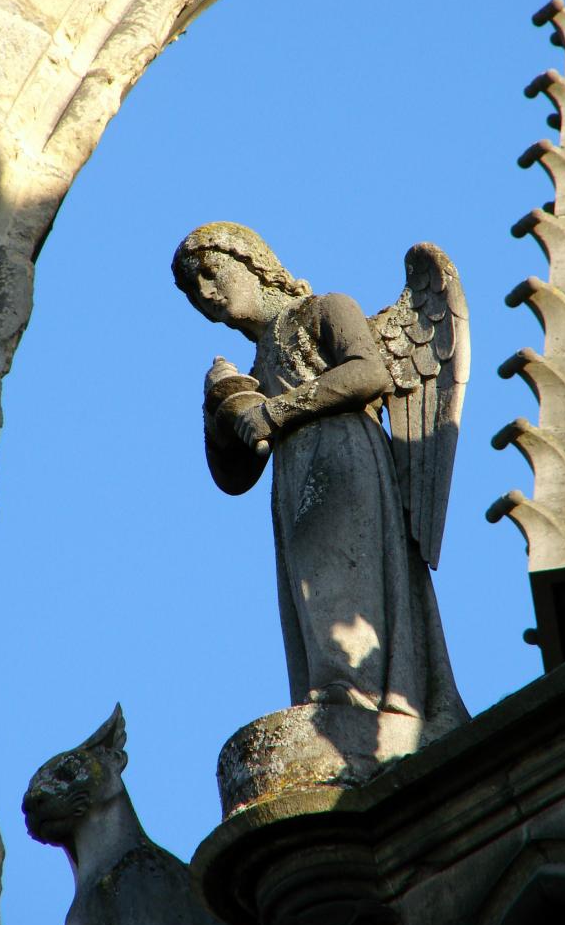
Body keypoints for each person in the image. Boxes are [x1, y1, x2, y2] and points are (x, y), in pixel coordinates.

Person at [172, 222, 468, 735]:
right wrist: (218, 414)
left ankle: (356, 693)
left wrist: (277, 410)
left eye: (211, 273)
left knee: (340, 571)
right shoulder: (258, 362)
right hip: (292, 477)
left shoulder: (325, 308)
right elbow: (235, 478)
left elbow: (369, 374)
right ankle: (332, 688)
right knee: (309, 589)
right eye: (194, 293)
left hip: (344, 456)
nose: (206, 294)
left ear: (252, 263)